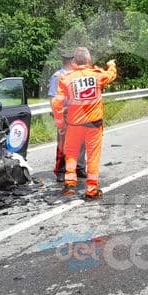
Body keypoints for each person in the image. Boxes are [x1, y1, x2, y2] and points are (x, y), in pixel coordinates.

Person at [54, 47, 117, 200]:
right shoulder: (97, 75)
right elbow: (111, 75)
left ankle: (69, 184)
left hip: (74, 125)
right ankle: (91, 190)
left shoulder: (66, 78)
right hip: (94, 125)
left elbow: (57, 103)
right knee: (93, 156)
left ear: (74, 62)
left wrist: (60, 123)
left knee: (71, 153)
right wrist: (111, 65)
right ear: (89, 61)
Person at [48, 55, 86, 182]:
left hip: (78, 112)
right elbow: (52, 97)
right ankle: (61, 171)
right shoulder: (58, 76)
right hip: (64, 113)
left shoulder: (77, 75)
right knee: (63, 143)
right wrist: (56, 116)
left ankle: (79, 168)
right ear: (71, 62)